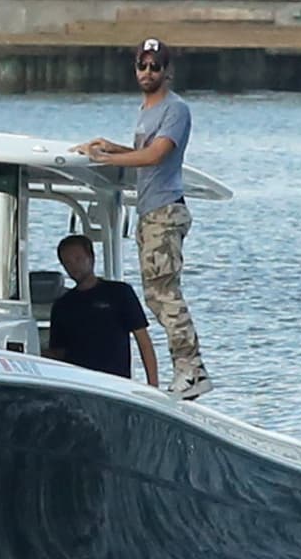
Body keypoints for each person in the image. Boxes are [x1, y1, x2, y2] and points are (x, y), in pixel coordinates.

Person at [70, 37, 211, 400]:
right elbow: (142, 151)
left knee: (166, 292)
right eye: (142, 65)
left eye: (155, 66)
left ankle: (191, 370)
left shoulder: (175, 109)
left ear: (167, 71)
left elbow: (156, 157)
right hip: (148, 212)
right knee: (154, 295)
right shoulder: (146, 110)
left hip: (166, 210)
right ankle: (186, 369)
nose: (148, 72)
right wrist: (109, 146)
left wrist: (107, 160)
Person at [43, 234, 159, 387]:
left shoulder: (119, 293)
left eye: (78, 259)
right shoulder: (62, 305)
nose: (73, 267)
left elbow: (143, 341)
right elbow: (58, 353)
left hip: (116, 384)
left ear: (91, 258)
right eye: (67, 262)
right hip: (77, 385)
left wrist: (153, 386)